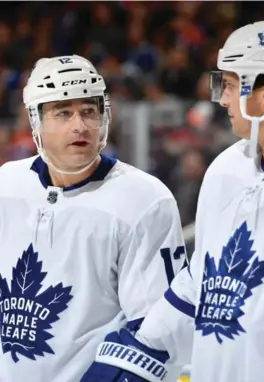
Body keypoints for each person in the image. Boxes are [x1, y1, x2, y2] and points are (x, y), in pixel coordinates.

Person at [83, 20, 264, 382]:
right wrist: (144, 348)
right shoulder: (227, 169)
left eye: (232, 85)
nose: (222, 98)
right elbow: (204, 281)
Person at [0, 55, 187, 382]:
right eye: (63, 112)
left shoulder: (144, 199)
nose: (80, 125)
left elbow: (157, 325)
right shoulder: (7, 185)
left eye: (89, 111)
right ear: (36, 121)